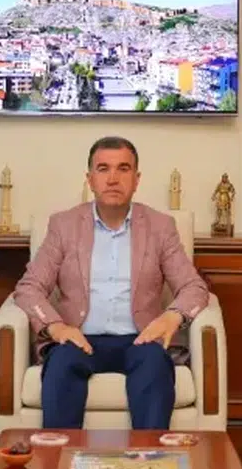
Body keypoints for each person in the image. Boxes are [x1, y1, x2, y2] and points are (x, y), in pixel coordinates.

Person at [13, 136, 210, 430]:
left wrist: (173, 316)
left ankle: (150, 456)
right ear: (90, 179)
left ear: (137, 179)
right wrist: (56, 327)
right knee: (62, 364)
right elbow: (28, 288)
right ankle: (58, 457)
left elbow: (194, 287)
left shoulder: (160, 227)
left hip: (140, 339)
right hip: (79, 339)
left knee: (154, 365)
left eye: (123, 169)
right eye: (103, 169)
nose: (113, 179)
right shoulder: (64, 226)